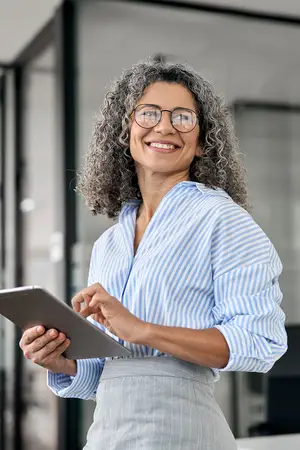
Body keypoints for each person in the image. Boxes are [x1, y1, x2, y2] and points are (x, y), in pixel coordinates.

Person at [19, 59, 288, 449]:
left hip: (184, 432)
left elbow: (261, 342)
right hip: (109, 436)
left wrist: (143, 330)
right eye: (149, 113)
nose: (164, 127)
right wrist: (61, 360)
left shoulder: (222, 220)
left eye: (183, 117)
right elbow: (111, 374)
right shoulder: (110, 243)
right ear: (124, 130)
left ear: (202, 141)